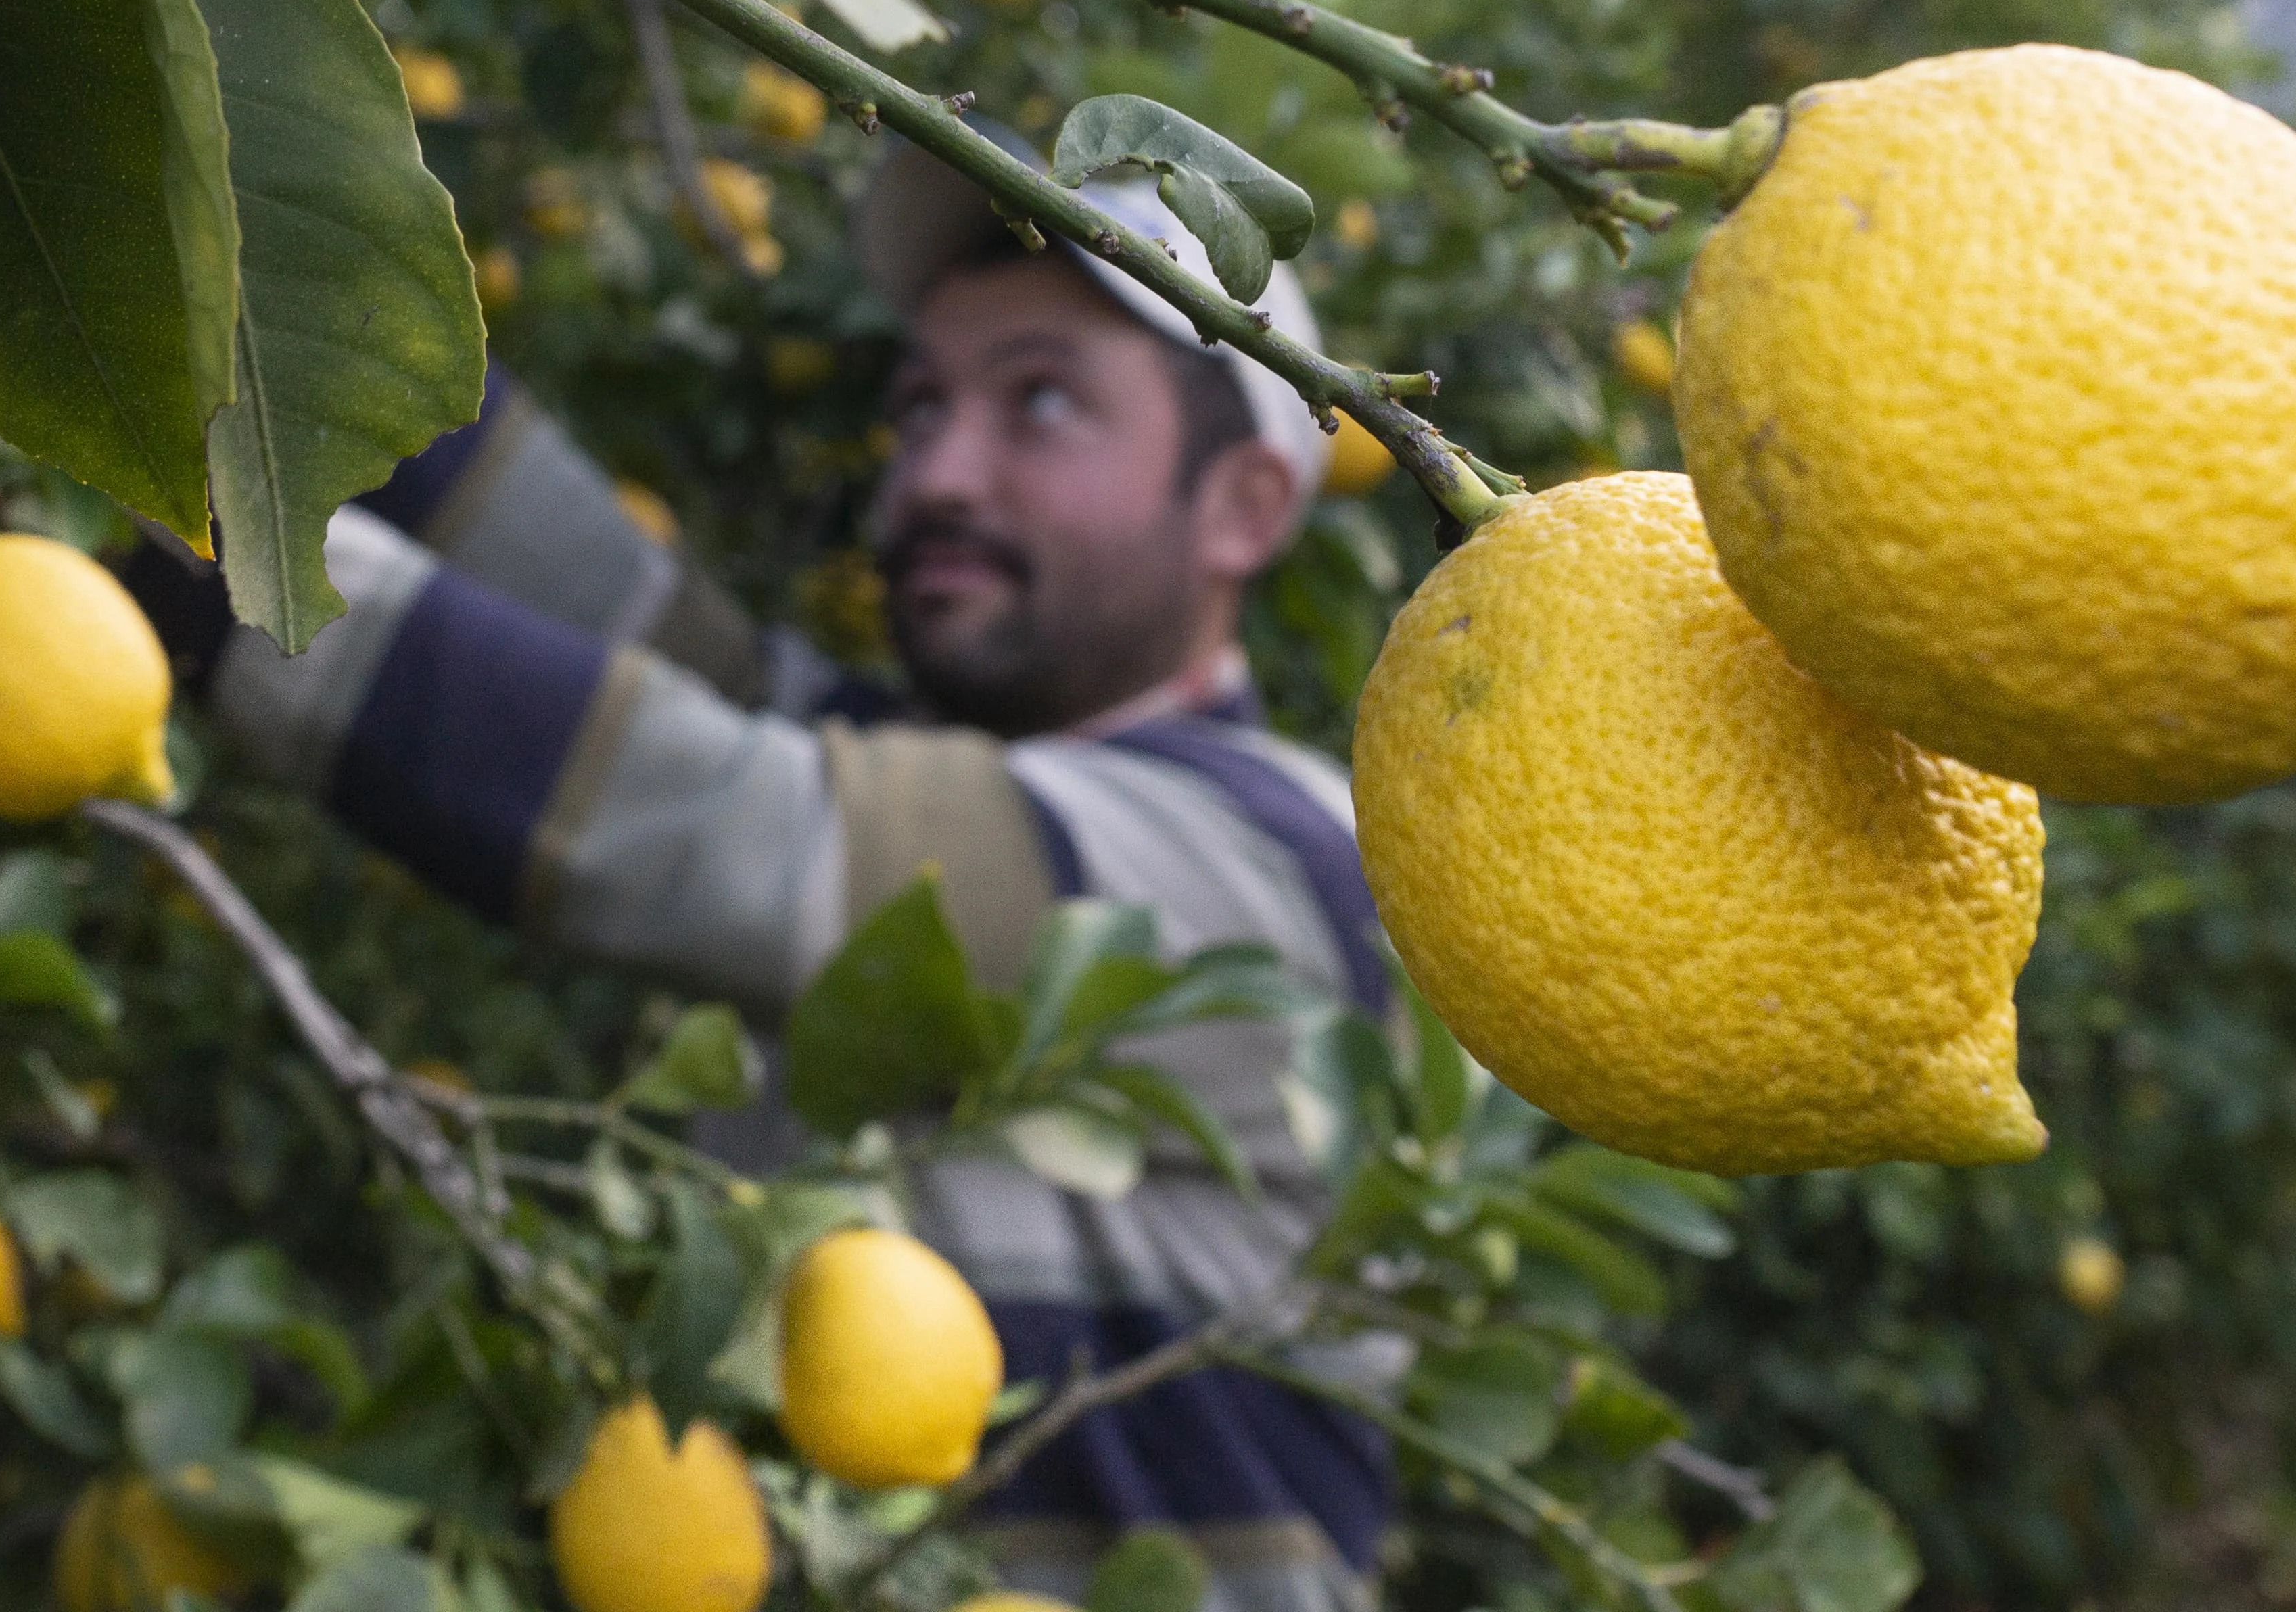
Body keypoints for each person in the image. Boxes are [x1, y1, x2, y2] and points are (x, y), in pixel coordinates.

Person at [122, 140, 1395, 1612]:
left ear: (1241, 503)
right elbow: (599, 593)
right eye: (921, 403)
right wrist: (219, 254)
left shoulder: (1271, 855)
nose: (938, 470)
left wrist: (135, 502)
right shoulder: (904, 751)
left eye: (1040, 399)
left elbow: (715, 820)